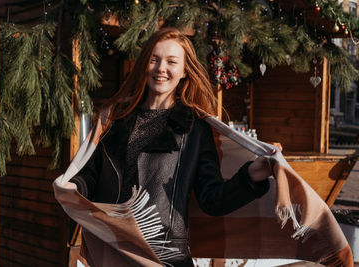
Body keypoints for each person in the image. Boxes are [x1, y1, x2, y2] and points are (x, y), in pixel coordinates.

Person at [70, 28, 273, 267]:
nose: (160, 69)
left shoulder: (195, 129)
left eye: (171, 62)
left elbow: (212, 199)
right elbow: (89, 175)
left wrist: (252, 176)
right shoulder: (114, 118)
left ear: (185, 71)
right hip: (114, 252)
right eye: (154, 60)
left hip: (165, 257)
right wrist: (72, 187)